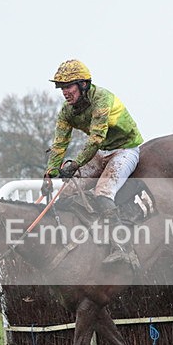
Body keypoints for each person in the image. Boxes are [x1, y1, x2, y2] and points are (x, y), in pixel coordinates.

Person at [42, 59, 144, 268]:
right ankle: (85, 239)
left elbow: (96, 138)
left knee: (103, 193)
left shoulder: (102, 99)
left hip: (125, 150)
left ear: (83, 84)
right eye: (62, 88)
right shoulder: (67, 111)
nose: (65, 92)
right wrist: (51, 171)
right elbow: (60, 142)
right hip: (102, 152)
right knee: (69, 191)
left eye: (68, 86)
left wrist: (75, 164)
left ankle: (123, 248)